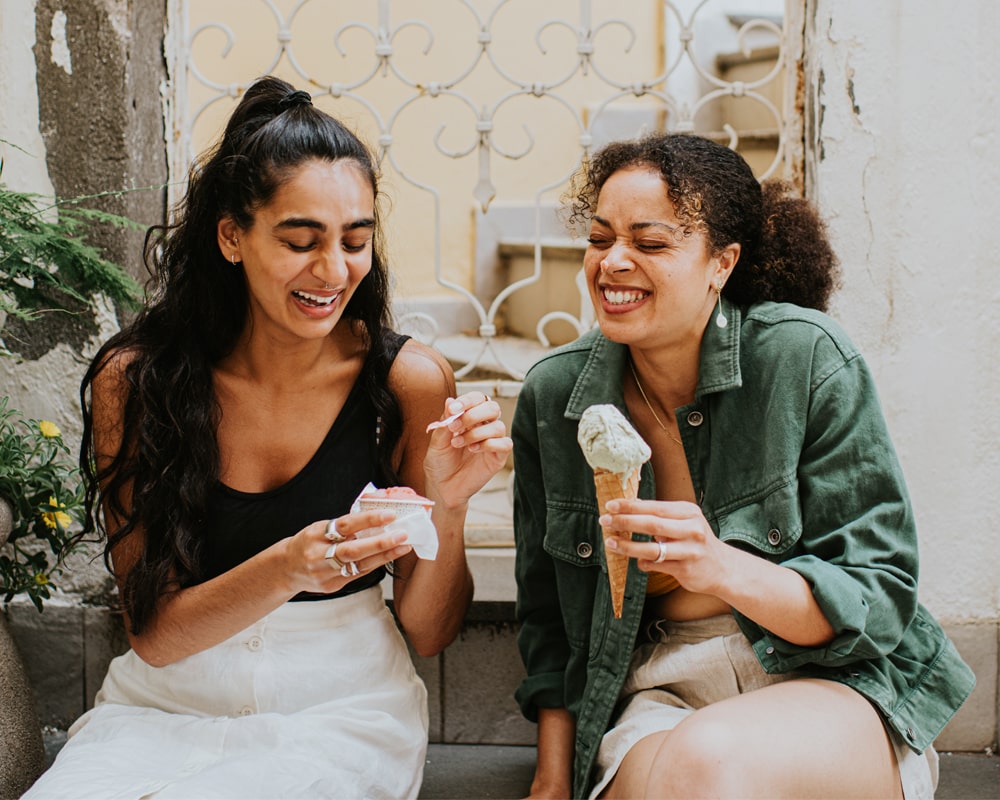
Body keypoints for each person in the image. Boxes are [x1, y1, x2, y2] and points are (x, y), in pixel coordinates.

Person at [24, 75, 512, 800]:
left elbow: (431, 632)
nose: (333, 271)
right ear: (231, 236)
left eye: (355, 240)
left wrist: (447, 502)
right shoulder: (137, 381)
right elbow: (155, 637)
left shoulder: (407, 381)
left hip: (342, 711)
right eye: (300, 240)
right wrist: (290, 564)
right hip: (160, 709)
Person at [511, 132, 974, 800]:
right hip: (656, 688)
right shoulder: (555, 397)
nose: (613, 262)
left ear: (720, 263)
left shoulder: (804, 358)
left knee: (705, 762)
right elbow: (549, 624)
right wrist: (551, 782)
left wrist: (718, 564)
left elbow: (877, 597)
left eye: (649, 242)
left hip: (826, 680)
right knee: (693, 770)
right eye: (600, 237)